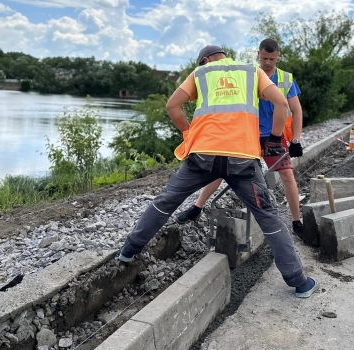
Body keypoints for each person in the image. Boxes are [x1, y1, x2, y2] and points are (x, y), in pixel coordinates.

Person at [118, 45, 318, 298]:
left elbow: (172, 106)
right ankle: (299, 282)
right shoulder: (251, 72)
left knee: (165, 202)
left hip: (203, 156)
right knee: (269, 216)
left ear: (204, 61)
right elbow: (281, 104)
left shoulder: (200, 74)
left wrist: (189, 133)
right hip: (243, 159)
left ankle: (128, 251)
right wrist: (275, 139)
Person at [175, 38, 306, 238]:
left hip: (274, 136)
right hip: (247, 134)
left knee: (287, 174)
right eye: (264, 58)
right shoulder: (248, 73)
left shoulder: (286, 79)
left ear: (277, 56)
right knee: (220, 169)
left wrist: (295, 140)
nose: (268, 62)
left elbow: (296, 110)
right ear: (258, 55)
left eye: (271, 59)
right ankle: (197, 207)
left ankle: (297, 222)